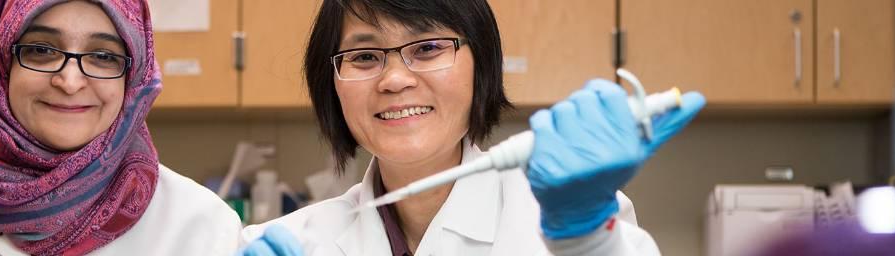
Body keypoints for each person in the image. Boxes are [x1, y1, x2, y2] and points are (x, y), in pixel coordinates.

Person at [239, 0, 706, 255]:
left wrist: (587, 243)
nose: (396, 79)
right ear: (332, 86)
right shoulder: (290, 245)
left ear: (481, 68)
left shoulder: (575, 222)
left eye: (428, 48)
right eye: (364, 56)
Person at [0, 1, 240, 255]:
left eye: (103, 56)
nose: (70, 81)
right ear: (1, 63)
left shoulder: (201, 227)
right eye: (41, 49)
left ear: (134, 76)